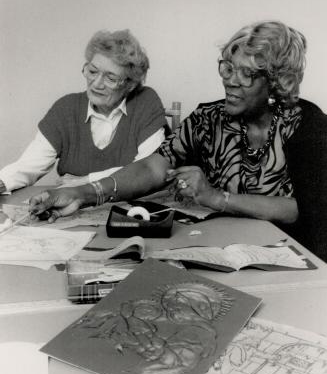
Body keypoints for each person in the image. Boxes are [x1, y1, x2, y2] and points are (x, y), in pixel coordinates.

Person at [29, 21, 327, 261]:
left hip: (289, 256)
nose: (231, 80)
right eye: (228, 67)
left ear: (275, 81)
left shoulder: (307, 124)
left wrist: (214, 197)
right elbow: (151, 168)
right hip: (223, 250)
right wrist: (83, 193)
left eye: (247, 74)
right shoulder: (207, 118)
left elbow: (301, 209)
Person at [0, 29, 166, 193]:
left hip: (128, 208)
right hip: (71, 208)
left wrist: (87, 182)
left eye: (110, 78)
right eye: (93, 71)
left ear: (130, 85)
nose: (96, 84)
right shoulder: (66, 108)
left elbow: (147, 169)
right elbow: (29, 165)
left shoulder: (146, 102)